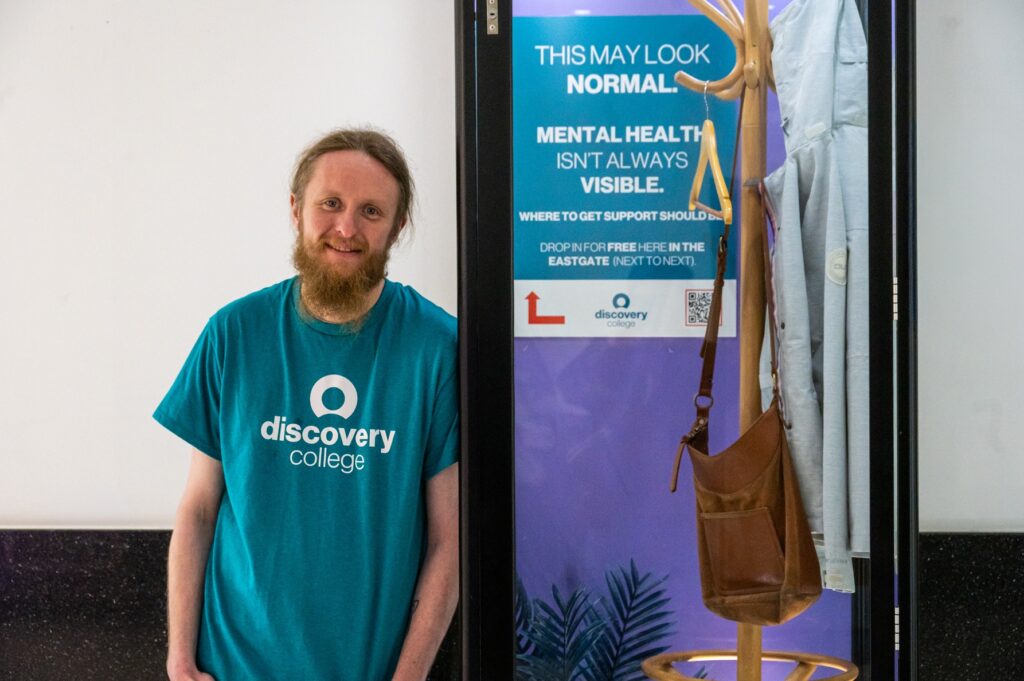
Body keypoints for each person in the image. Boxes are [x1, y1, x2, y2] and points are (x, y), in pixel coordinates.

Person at [155, 128, 459, 681]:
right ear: (296, 210)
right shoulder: (234, 334)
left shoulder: (438, 350)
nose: (346, 228)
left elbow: (449, 541)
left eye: (371, 210)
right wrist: (180, 660)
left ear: (398, 227)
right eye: (330, 204)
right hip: (228, 668)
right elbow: (199, 508)